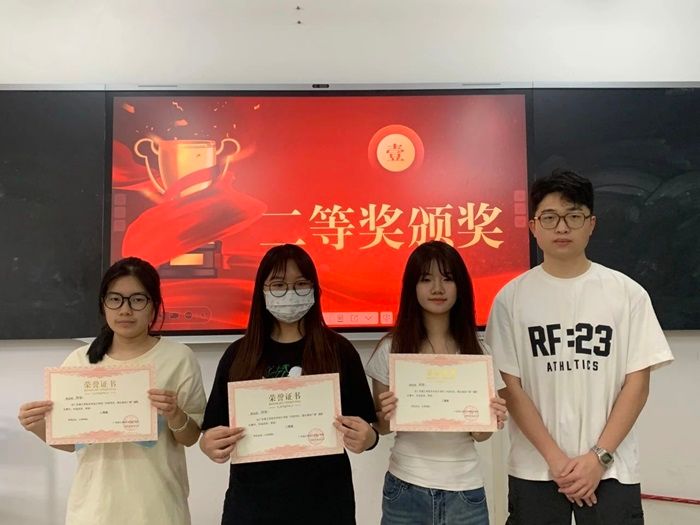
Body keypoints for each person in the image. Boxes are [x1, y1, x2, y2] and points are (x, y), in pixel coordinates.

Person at [485, 168, 674, 524]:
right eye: (550, 218)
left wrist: (598, 458)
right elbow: (510, 387)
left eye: (573, 216)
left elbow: (637, 384)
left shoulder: (627, 293)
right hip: (535, 467)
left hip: (611, 468)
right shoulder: (510, 299)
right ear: (533, 227)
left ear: (591, 224)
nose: (562, 227)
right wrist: (556, 460)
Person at [17, 257, 207, 525]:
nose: (125, 310)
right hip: (94, 510)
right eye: (115, 299)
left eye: (137, 300)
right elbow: (70, 442)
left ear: (154, 306)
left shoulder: (178, 358)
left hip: (159, 508)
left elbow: (191, 437)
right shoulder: (79, 361)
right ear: (103, 304)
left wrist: (175, 414)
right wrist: (36, 426)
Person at [199, 244, 378, 525]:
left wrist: (369, 438)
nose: (290, 293)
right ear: (262, 291)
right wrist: (209, 445)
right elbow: (212, 430)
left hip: (325, 504)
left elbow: (367, 428)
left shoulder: (339, 350)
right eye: (278, 285)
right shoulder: (239, 354)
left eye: (301, 284)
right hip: (252, 505)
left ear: (314, 289)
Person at [365, 240, 508, 525]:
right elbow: (380, 427)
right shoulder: (391, 349)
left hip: (465, 491)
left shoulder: (479, 352)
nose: (438, 288)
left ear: (460, 286)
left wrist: (491, 419)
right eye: (426, 279)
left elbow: (480, 436)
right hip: (405, 487)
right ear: (412, 287)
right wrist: (387, 414)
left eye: (447, 278)